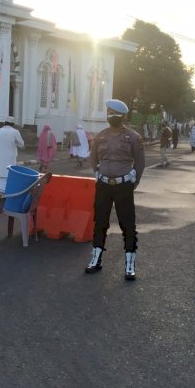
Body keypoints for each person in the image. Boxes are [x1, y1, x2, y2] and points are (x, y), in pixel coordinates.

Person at [85, 98, 145, 280]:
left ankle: (129, 264)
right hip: (103, 185)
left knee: (127, 224)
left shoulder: (134, 137)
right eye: (109, 114)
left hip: (123, 186)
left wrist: (133, 182)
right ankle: (96, 259)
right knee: (100, 222)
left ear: (123, 117)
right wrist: (98, 174)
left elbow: (140, 163)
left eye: (115, 115)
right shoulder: (100, 136)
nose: (111, 117)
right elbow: (93, 158)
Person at [0, 115, 25, 195]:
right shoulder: (15, 132)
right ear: (13, 124)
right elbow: (21, 144)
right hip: (11, 159)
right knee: (9, 178)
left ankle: (1, 193)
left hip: (0, 160)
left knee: (0, 178)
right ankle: (6, 196)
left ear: (4, 123)